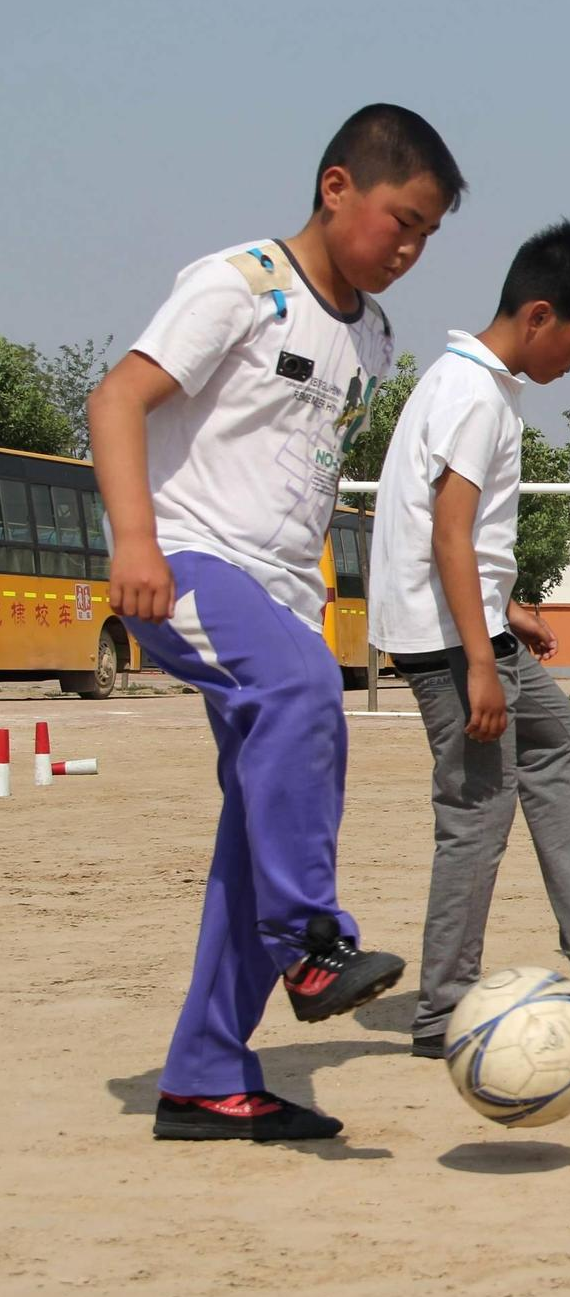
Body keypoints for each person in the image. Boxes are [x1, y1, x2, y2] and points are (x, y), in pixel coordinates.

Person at [87, 105, 464, 1141]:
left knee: (261, 825)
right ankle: (309, 941)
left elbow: (301, 480)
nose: (410, 247)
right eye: (401, 219)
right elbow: (116, 399)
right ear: (338, 187)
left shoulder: (375, 337)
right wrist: (133, 541)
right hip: (187, 562)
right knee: (303, 692)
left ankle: (207, 1072)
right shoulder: (239, 285)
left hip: (280, 592)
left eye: (429, 233)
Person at [368, 221, 570, 1060]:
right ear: (538, 315)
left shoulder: (481, 387)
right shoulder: (470, 395)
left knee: (555, 732)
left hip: (474, 625)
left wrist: (507, 606)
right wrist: (481, 661)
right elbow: (449, 532)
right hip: (451, 645)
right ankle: (440, 1008)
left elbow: (459, 533)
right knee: (476, 812)